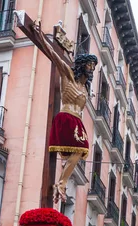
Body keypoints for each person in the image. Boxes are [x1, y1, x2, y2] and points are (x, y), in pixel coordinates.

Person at [19, 13, 98, 203]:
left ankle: (61, 183)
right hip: (66, 118)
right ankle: (61, 184)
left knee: (80, 151)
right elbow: (54, 56)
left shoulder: (84, 88)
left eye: (93, 66)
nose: (92, 69)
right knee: (80, 149)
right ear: (81, 65)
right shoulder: (68, 76)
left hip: (77, 121)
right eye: (89, 64)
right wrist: (39, 37)